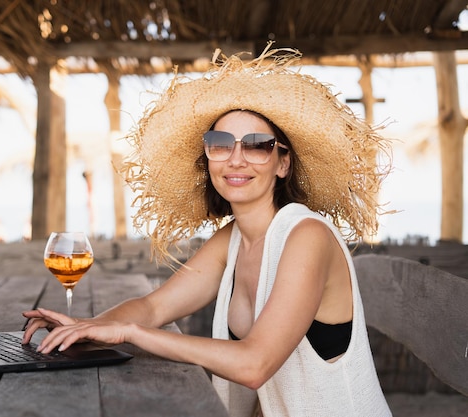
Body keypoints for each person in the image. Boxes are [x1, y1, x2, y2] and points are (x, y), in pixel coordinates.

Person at [23, 45, 393, 416]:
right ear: (208, 157)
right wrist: (85, 327)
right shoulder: (232, 239)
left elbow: (254, 365)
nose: (235, 159)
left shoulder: (307, 236)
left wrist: (131, 334)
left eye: (257, 146)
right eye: (220, 144)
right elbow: (153, 307)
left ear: (283, 163)